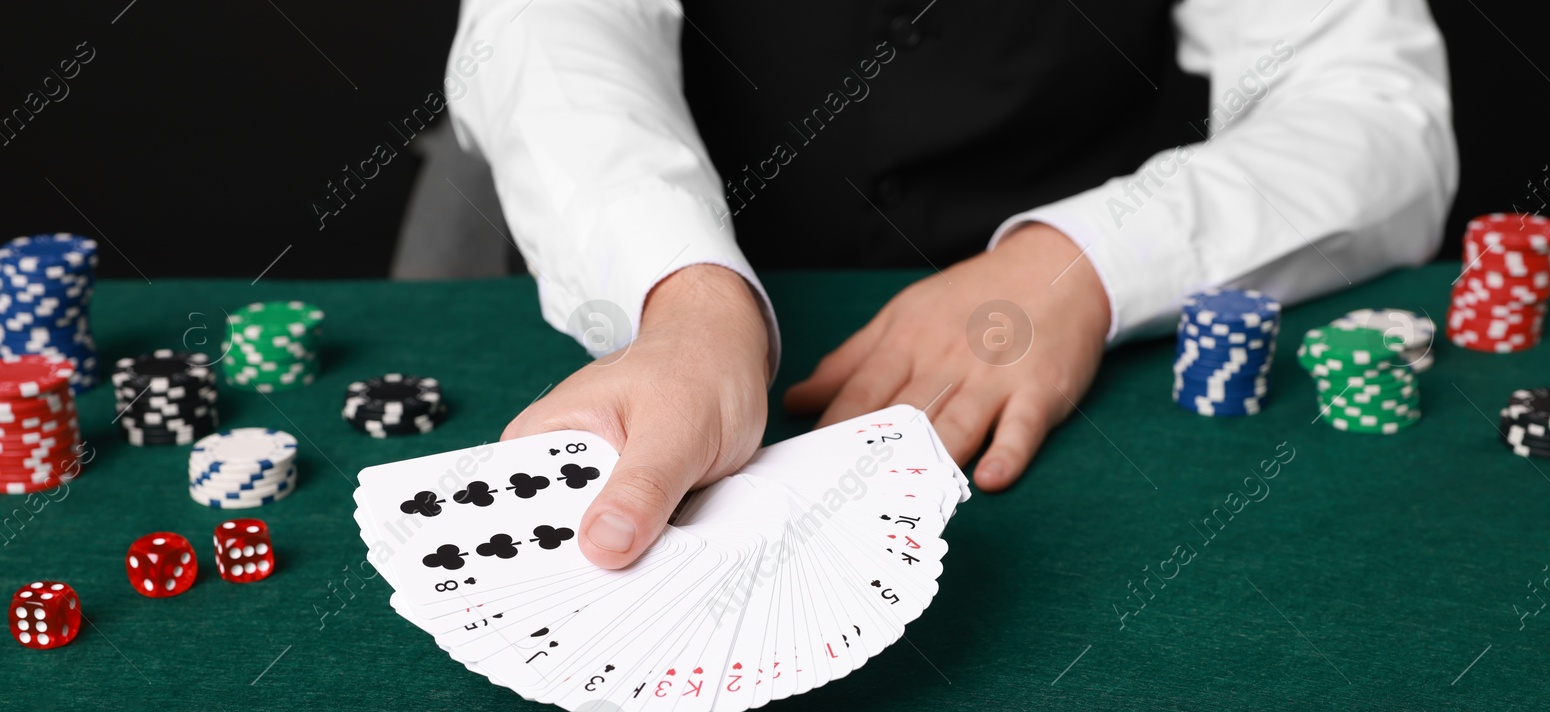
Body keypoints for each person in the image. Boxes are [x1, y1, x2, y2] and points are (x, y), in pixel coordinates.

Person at [445, 0, 1456, 569]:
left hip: (1102, 347)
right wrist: (684, 298)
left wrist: (1085, 261)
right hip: (708, 306)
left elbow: (1370, 101)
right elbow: (545, 33)